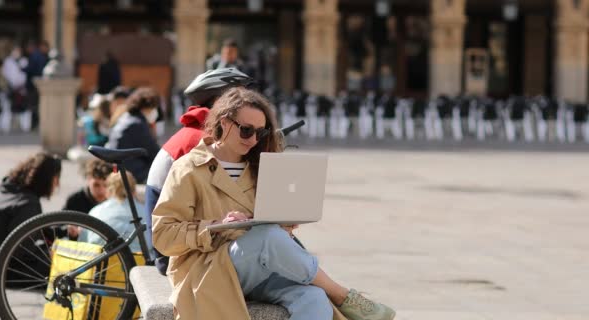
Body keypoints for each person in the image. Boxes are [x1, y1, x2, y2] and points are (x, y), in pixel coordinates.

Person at [152, 87, 396, 320]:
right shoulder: (189, 169)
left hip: (258, 267)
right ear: (224, 122)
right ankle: (342, 294)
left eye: (261, 133)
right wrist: (216, 225)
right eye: (247, 130)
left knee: (314, 298)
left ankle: (330, 292)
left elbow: (269, 234)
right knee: (267, 236)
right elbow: (163, 235)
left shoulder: (262, 167)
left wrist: (285, 224)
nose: (254, 140)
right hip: (206, 268)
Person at [145, 68, 253, 274]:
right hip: (177, 254)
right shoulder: (202, 141)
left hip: (179, 243)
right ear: (222, 103)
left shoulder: (193, 132)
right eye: (241, 99)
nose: (249, 103)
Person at [0, 152, 61, 285]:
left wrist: (62, 231)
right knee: (64, 270)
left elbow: (33, 228)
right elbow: (22, 248)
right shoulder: (28, 204)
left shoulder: (13, 192)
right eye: (56, 178)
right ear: (48, 178)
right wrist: (48, 254)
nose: (57, 184)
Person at [79, 171, 149, 253]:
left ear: (108, 190)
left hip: (103, 263)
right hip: (140, 263)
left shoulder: (95, 212)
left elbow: (83, 244)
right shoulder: (146, 213)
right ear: (133, 191)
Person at [105, 87, 161, 183]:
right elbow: (155, 153)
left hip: (121, 169)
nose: (155, 112)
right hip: (134, 173)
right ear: (146, 107)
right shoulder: (137, 124)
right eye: (153, 108)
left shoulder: (125, 118)